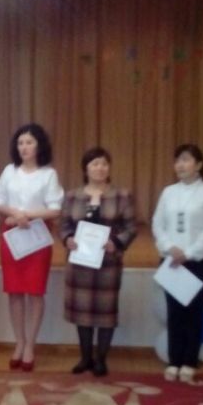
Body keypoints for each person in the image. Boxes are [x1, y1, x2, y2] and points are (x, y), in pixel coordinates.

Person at [60, 146, 136, 377]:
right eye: (94, 164)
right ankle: (85, 358)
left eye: (104, 163)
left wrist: (117, 242)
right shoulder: (72, 196)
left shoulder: (122, 195)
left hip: (108, 263)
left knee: (106, 313)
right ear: (86, 169)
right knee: (81, 313)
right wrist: (68, 239)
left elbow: (131, 227)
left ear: (109, 167)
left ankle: (101, 360)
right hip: (80, 263)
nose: (100, 168)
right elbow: (63, 225)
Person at [0, 123, 63, 371]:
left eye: (29, 142)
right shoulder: (9, 171)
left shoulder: (48, 174)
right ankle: (19, 342)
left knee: (35, 292)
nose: (24, 147)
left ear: (39, 145)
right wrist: (15, 214)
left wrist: (27, 216)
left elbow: (55, 209)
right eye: (21, 142)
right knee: (14, 292)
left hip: (37, 237)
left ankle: (31, 345)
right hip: (11, 235)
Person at [152, 143, 203, 382]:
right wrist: (169, 248)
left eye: (186, 160)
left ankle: (190, 361)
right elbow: (157, 223)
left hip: (198, 262)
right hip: (172, 261)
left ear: (199, 164)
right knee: (174, 312)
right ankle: (174, 360)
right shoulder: (168, 192)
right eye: (178, 160)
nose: (180, 165)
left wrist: (189, 253)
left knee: (194, 312)